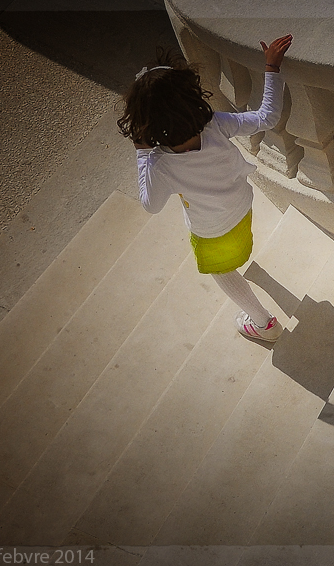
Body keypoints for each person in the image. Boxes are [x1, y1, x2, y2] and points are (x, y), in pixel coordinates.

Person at [118, 35, 293, 342]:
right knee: (237, 246)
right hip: (242, 205)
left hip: (211, 231)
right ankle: (246, 270)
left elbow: (150, 204)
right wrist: (271, 68)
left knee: (222, 273)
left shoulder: (161, 164)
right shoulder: (216, 124)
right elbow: (268, 116)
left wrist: (142, 153)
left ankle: (265, 324)